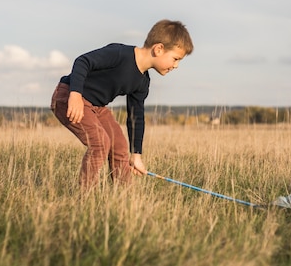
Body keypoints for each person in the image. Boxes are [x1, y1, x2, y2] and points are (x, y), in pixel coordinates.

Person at [51, 19, 193, 189]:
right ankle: (85, 198)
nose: (176, 66)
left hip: (97, 107)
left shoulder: (142, 82)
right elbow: (83, 61)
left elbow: (136, 117)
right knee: (100, 143)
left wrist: (136, 155)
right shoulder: (120, 53)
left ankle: (124, 197)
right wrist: (75, 95)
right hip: (69, 96)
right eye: (175, 59)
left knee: (119, 145)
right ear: (159, 49)